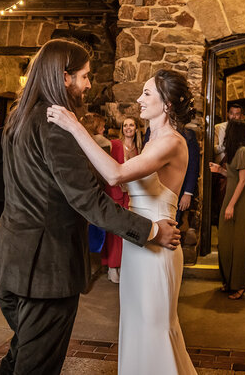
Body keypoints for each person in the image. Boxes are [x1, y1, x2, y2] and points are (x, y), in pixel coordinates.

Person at [0, 40, 181, 375]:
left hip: (10, 261)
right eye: (84, 76)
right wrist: (150, 230)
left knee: (19, 358)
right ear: (65, 78)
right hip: (45, 270)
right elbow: (89, 201)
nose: (89, 84)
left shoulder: (18, 118)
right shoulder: (57, 127)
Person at [47, 66, 196, 375]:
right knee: (136, 326)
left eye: (146, 94)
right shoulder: (151, 142)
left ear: (167, 104)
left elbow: (115, 174)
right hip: (138, 241)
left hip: (158, 247)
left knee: (154, 330)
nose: (139, 100)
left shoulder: (173, 142)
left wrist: (76, 127)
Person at [209, 120, 245, 300]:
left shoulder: (244, 152)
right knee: (227, 241)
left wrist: (230, 205)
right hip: (232, 196)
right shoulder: (236, 151)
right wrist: (220, 170)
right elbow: (234, 175)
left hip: (240, 200)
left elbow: (243, 181)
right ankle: (229, 281)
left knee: (239, 243)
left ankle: (241, 285)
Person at [104, 116, 142, 284]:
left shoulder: (140, 149)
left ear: (136, 128)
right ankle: (112, 266)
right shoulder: (115, 144)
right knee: (115, 229)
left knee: (128, 230)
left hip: (133, 194)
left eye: (131, 125)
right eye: (125, 125)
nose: (128, 128)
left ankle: (125, 266)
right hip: (115, 192)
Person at [213, 103, 243, 227]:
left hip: (237, 167)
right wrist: (226, 145)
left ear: (240, 116)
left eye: (237, 114)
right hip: (220, 165)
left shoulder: (244, 129)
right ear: (228, 114)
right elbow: (214, 149)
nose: (234, 117)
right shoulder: (218, 128)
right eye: (232, 113)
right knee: (220, 199)